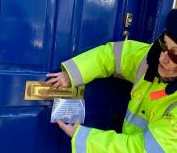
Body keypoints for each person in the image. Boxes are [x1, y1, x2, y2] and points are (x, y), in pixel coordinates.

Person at [45, 9, 177, 152]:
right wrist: (72, 74)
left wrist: (84, 138)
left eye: (175, 55)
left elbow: (141, 150)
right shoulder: (150, 58)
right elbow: (112, 56)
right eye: (164, 45)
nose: (162, 58)